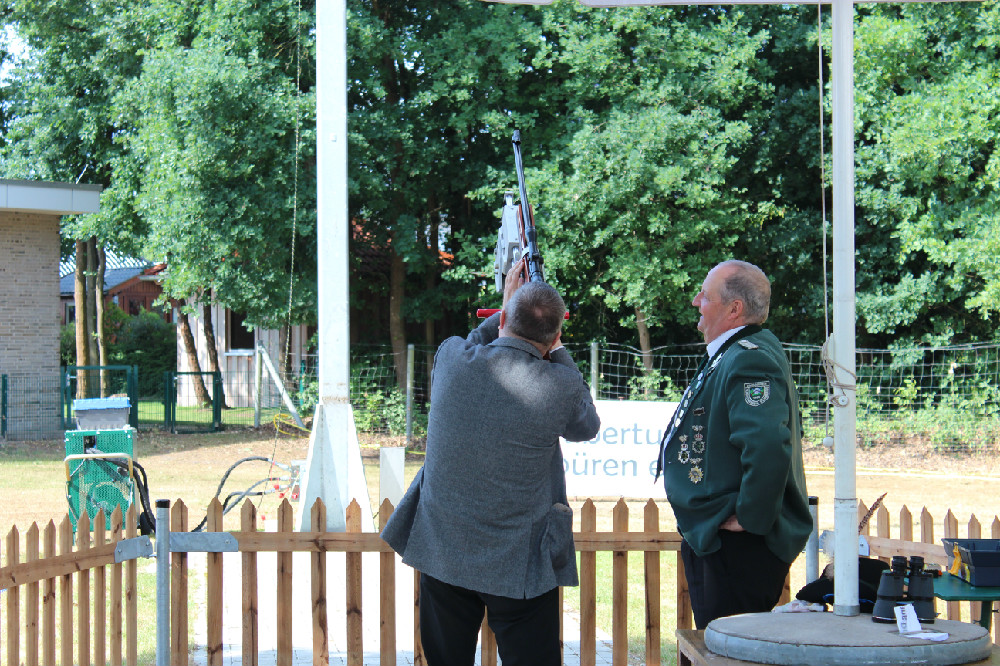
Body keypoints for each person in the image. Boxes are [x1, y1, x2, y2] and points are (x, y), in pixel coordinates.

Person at [381, 257, 600, 666]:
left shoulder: (451, 357)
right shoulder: (561, 383)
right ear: (555, 335)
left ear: (502, 320)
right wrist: (558, 351)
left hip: (444, 550)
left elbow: (478, 341)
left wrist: (506, 306)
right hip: (521, 561)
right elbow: (587, 426)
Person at [654, 259, 812, 629]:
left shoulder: (747, 359)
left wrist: (751, 518)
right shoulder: (735, 353)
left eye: (705, 296)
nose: (696, 302)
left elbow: (768, 446)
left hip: (737, 547)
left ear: (734, 309)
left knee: (727, 644)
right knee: (720, 641)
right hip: (724, 541)